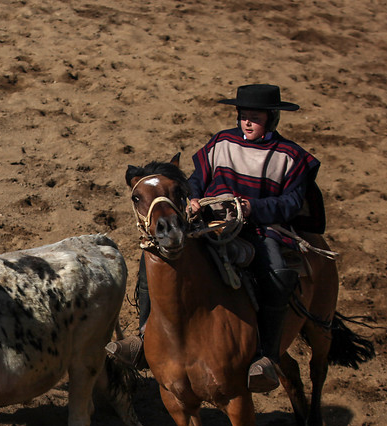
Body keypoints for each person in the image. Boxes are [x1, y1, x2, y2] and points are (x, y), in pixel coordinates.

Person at [107, 84, 324, 393]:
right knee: (153, 256)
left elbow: (291, 203)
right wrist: (194, 199)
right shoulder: (221, 142)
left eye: (255, 117)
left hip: (262, 229)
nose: (247, 123)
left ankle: (265, 355)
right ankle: (143, 337)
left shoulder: (291, 157)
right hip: (211, 222)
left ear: (272, 119)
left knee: (276, 271)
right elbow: (197, 180)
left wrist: (253, 207)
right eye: (243, 116)